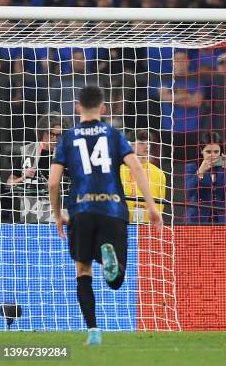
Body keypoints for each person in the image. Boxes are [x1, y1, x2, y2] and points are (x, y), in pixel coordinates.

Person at [48, 86, 163, 345]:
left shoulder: (67, 138)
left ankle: (93, 331)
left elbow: (54, 183)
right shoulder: (114, 135)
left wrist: (57, 215)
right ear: (103, 108)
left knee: (82, 270)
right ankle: (106, 256)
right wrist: (152, 207)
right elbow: (137, 168)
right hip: (113, 209)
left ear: (78, 107)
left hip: (81, 210)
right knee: (116, 280)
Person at [7, 112, 69, 223]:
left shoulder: (67, 155)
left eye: (58, 135)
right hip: (31, 215)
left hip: (59, 213)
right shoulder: (27, 151)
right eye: (51, 134)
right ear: (42, 133)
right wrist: (23, 177)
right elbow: (9, 183)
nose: (55, 139)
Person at [185, 132, 226, 224]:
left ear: (221, 152)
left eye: (216, 152)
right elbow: (188, 192)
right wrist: (200, 172)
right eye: (208, 152)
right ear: (201, 150)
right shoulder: (192, 167)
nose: (212, 155)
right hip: (198, 219)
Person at [120, 130, 166, 223]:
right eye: (141, 143)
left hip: (148, 227)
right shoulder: (119, 170)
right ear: (130, 145)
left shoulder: (159, 173)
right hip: (122, 223)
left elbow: (160, 204)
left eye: (148, 143)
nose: (146, 146)